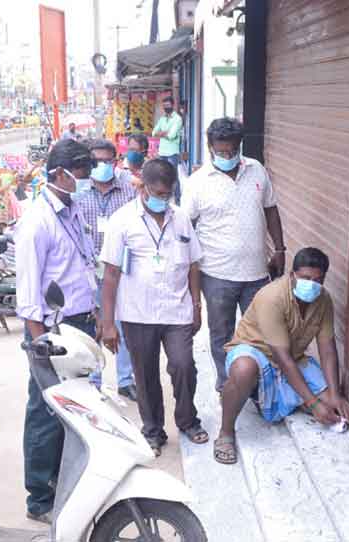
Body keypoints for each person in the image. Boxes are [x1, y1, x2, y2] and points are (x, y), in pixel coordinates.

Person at [100, 159, 208, 457]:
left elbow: (193, 265)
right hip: (137, 313)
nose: (163, 199)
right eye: (157, 193)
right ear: (143, 187)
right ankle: (153, 430)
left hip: (177, 309)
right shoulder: (121, 221)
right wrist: (108, 323)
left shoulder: (181, 218)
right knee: (145, 374)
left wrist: (197, 305)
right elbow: (110, 275)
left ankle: (187, 420)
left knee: (184, 364)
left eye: (167, 194)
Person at [15, 139, 98, 524]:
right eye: (81, 173)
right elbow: (30, 292)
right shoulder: (37, 221)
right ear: (60, 174)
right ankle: (40, 498)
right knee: (46, 411)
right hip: (50, 329)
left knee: (76, 407)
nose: (87, 178)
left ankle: (67, 481)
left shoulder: (72, 209)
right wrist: (40, 342)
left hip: (80, 322)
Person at [213, 247, 349, 464]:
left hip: (293, 356)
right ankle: (226, 432)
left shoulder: (323, 300)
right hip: (256, 351)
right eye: (306, 278)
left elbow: (327, 349)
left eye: (318, 280)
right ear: (292, 275)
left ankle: (275, 397)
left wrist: (335, 394)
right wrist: (314, 404)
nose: (312, 284)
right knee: (244, 370)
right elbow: (282, 358)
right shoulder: (272, 297)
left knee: (335, 405)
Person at [182, 117, 286, 393]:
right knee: (222, 333)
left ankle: (256, 383)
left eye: (232, 151)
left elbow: (271, 209)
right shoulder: (197, 183)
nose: (227, 156)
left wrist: (280, 249)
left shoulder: (257, 170)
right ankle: (227, 382)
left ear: (240, 145)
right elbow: (185, 230)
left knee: (262, 332)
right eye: (221, 152)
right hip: (216, 275)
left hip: (257, 273)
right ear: (210, 147)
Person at [78, 139, 137, 400]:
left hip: (122, 269)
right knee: (93, 325)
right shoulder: (78, 192)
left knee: (124, 324)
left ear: (116, 161)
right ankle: (93, 380)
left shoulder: (130, 189)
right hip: (88, 269)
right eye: (97, 161)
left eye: (108, 161)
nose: (102, 166)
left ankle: (126, 379)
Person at [152, 96, 183, 171]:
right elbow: (153, 133)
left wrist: (160, 134)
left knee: (173, 177)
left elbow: (171, 135)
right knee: (163, 177)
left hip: (172, 153)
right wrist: (165, 133)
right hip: (162, 152)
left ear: (173, 105)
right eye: (164, 106)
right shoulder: (162, 119)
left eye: (168, 105)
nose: (166, 107)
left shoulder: (178, 119)